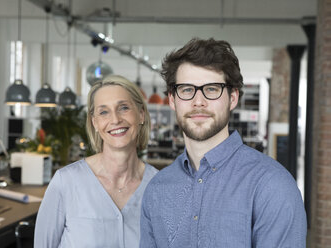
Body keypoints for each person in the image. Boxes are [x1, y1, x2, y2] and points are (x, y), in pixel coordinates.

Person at [140, 38, 307, 247]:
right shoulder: (157, 189)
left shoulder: (273, 186)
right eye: (186, 89)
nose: (198, 101)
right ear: (173, 100)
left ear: (233, 98)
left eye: (211, 89)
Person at [34, 75, 158, 247]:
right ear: (95, 123)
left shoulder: (159, 186)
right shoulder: (66, 182)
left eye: (123, 108)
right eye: (104, 112)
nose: (115, 119)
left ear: (141, 115)